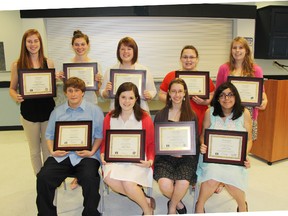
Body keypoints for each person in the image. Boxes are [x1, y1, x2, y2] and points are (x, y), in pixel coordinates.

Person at [36, 77, 104, 216]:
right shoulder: (57, 112)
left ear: (83, 93)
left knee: (90, 179)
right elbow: (49, 135)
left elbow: (99, 136)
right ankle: (46, 213)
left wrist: (92, 151)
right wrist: (52, 151)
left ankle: (90, 213)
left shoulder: (95, 111)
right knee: (43, 177)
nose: (73, 94)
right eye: (70, 90)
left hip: (86, 156)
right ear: (65, 93)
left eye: (77, 90)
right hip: (62, 156)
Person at [195, 82, 252, 213]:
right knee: (211, 179)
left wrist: (244, 154)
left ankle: (242, 206)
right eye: (222, 95)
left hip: (234, 158)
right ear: (217, 98)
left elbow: (248, 140)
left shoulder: (244, 113)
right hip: (212, 157)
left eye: (230, 95)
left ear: (236, 97)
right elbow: (203, 135)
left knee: (232, 182)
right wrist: (203, 146)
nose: (226, 99)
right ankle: (200, 204)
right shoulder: (210, 112)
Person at [100, 82, 155, 215]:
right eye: (123, 97)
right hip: (115, 158)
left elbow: (151, 144)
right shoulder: (110, 117)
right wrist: (102, 154)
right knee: (108, 179)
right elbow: (105, 141)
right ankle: (145, 199)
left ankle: (147, 210)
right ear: (118, 97)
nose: (126, 101)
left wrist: (150, 162)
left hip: (138, 160)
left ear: (136, 99)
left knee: (128, 184)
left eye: (131, 98)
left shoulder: (144, 117)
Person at [9, 29, 58, 175]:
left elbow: (52, 85)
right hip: (29, 113)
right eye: (29, 41)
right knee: (35, 150)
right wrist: (15, 96)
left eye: (36, 41)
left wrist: (56, 80)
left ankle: (48, 178)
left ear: (40, 43)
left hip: (48, 112)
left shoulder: (48, 62)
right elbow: (12, 89)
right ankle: (40, 179)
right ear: (24, 43)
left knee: (47, 148)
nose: (33, 44)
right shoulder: (17, 64)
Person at [153, 78, 199, 214]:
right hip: (165, 158)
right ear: (168, 93)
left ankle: (172, 207)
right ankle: (178, 202)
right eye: (173, 91)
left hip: (186, 158)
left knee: (183, 183)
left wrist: (183, 152)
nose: (177, 95)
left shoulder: (191, 115)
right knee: (164, 185)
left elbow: (195, 140)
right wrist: (168, 151)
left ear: (185, 93)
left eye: (180, 91)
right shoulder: (161, 115)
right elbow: (156, 141)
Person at [64, 30, 103, 189]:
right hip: (73, 107)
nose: (80, 47)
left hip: (90, 105)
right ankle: (77, 174)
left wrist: (98, 82)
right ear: (72, 46)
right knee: (75, 138)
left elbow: (98, 91)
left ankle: (85, 172)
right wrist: (61, 79)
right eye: (77, 44)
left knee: (90, 138)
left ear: (88, 46)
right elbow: (68, 89)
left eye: (83, 44)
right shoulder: (68, 65)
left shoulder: (95, 64)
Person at [216, 36, 268, 141]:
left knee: (245, 144)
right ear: (231, 51)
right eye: (234, 48)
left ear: (246, 51)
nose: (237, 50)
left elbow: (261, 92)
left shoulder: (256, 70)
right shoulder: (224, 68)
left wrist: (265, 100)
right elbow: (218, 91)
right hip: (227, 112)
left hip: (248, 113)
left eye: (241, 47)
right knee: (227, 143)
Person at [158, 45, 215, 134]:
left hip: (199, 118)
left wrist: (204, 102)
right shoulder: (171, 76)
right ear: (180, 59)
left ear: (197, 59)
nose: (188, 60)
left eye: (192, 57)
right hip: (174, 119)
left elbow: (211, 95)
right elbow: (161, 94)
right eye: (185, 57)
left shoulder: (204, 78)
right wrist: (172, 99)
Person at [100, 36, 157, 113]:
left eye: (129, 49)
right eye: (122, 49)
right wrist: (106, 92)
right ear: (118, 51)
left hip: (140, 111)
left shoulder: (144, 70)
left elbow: (153, 91)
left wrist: (149, 95)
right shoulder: (110, 70)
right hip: (116, 112)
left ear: (134, 51)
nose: (125, 52)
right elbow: (102, 91)